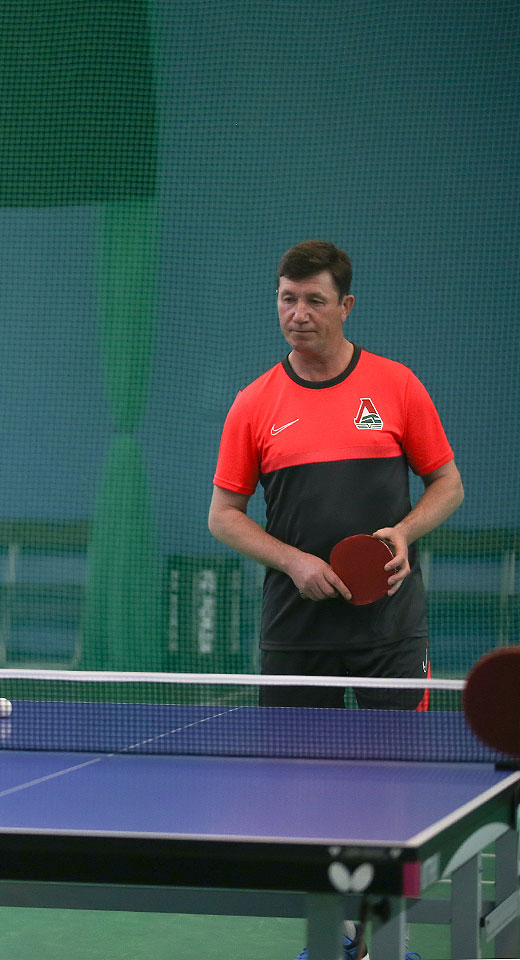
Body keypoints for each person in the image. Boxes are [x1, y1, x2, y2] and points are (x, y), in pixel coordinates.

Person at [209, 241, 458, 959]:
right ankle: (335, 938)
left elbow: (447, 483)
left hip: (389, 629)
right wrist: (292, 560)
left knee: (397, 791)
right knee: (300, 794)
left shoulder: (396, 386)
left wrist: (406, 531)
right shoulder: (255, 402)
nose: (299, 313)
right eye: (287, 299)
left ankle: (391, 939)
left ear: (346, 306)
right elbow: (223, 515)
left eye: (315, 300)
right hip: (298, 632)